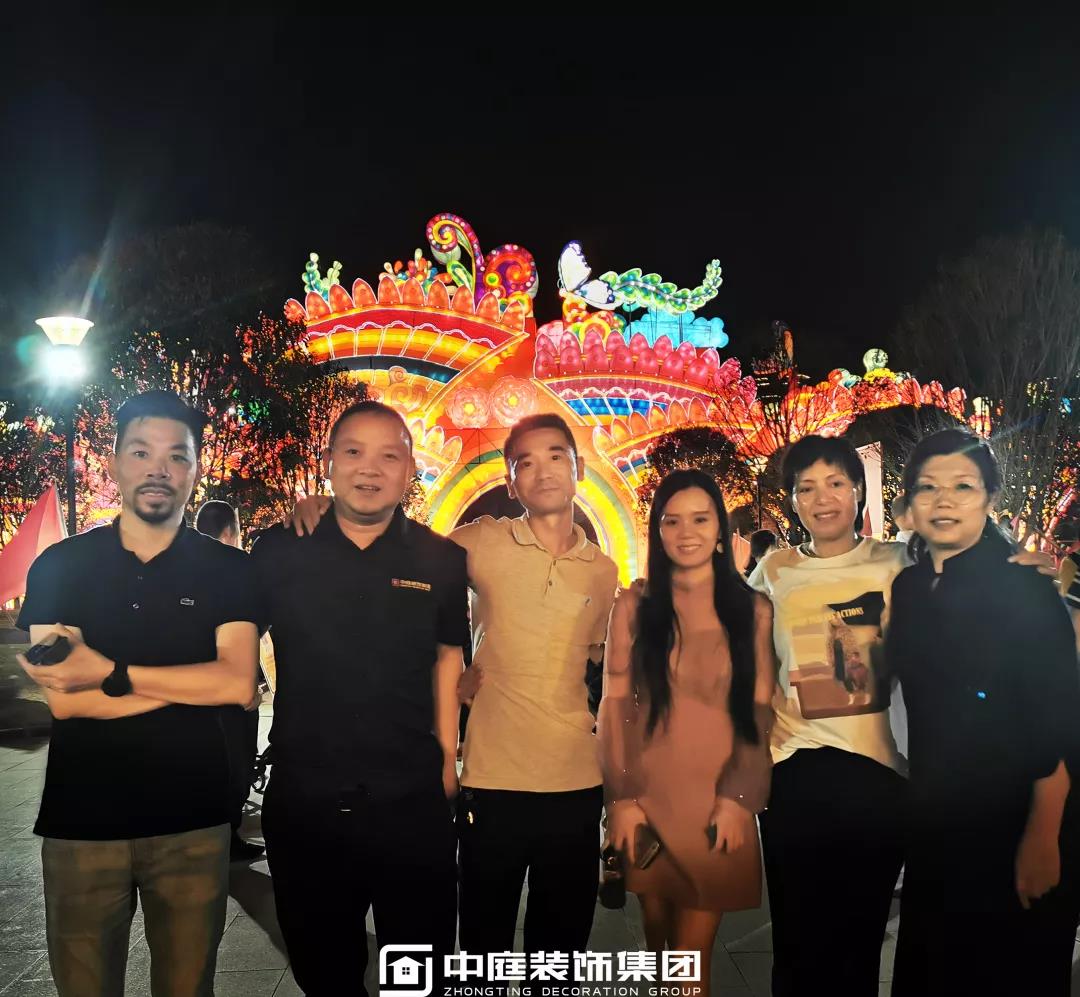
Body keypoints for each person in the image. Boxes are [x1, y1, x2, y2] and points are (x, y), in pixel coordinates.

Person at [291, 411, 620, 961]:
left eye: (556, 457)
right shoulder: (479, 542)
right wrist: (329, 509)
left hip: (575, 780)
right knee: (483, 949)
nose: (543, 471)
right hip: (490, 779)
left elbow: (595, 664)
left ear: (579, 468)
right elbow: (397, 549)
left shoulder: (603, 571)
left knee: (560, 951)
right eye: (525, 463)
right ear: (510, 482)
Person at [747, 433, 1059, 997]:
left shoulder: (896, 563)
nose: (822, 498)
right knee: (796, 940)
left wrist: (1025, 567)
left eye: (836, 483)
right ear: (792, 501)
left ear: (858, 492)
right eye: (806, 488)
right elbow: (730, 636)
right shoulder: (773, 570)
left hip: (878, 775)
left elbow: (961, 565)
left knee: (861, 940)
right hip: (794, 771)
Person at [16, 390, 260, 997]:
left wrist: (111, 671)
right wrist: (195, 685)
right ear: (115, 462)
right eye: (141, 452)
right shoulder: (61, 566)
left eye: (177, 456)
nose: (159, 469)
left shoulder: (230, 570)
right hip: (81, 823)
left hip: (193, 822)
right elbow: (66, 698)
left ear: (196, 468)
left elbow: (236, 682)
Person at [253, 400, 467, 996]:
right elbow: (237, 646)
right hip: (307, 802)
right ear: (328, 463)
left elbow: (447, 659)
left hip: (411, 803)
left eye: (388, 456)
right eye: (353, 452)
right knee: (324, 975)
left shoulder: (443, 559)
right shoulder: (279, 551)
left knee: (419, 977)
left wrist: (447, 761)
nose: (369, 469)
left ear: (409, 471)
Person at [886, 429, 1080, 996]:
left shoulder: (1024, 589)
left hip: (1020, 816)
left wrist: (1043, 836)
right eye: (928, 487)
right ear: (909, 502)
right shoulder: (911, 587)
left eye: (963, 487)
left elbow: (1058, 722)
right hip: (942, 819)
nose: (943, 501)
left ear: (990, 497)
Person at [599, 470, 774, 996]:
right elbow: (614, 705)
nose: (686, 532)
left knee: (689, 962)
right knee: (658, 946)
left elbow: (759, 709)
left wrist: (740, 799)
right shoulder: (633, 606)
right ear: (657, 531)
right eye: (671, 521)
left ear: (721, 528)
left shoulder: (751, 609)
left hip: (719, 799)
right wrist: (621, 799)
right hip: (648, 798)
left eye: (700, 519)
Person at [193, 499, 266, 862]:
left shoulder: (178, 565)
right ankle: (227, 839)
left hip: (190, 687)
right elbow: (256, 624)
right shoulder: (238, 567)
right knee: (236, 761)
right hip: (232, 688)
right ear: (229, 532)